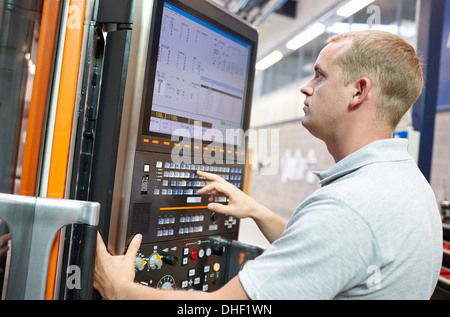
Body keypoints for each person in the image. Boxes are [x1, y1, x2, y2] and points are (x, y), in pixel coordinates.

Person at [94, 30, 443, 300]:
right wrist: (259, 211)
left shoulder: (347, 209)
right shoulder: (407, 183)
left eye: (320, 76)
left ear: (358, 91)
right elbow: (332, 256)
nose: (306, 88)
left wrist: (118, 289)